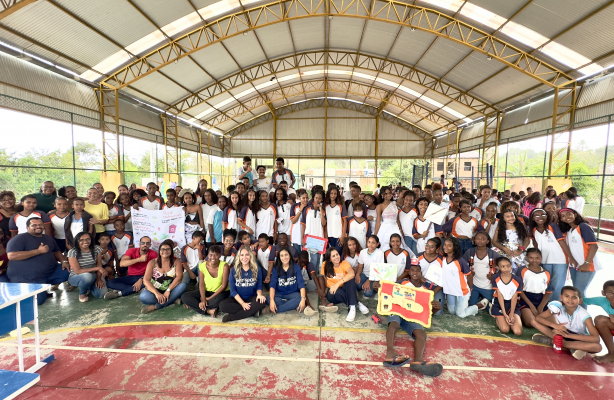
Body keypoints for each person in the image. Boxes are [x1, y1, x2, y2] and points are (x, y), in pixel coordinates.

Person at [383, 264, 444, 376]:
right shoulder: (402, 283)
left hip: (412, 316)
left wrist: (435, 309)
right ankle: (390, 353)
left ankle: (418, 361)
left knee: (421, 334)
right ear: (409, 273)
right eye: (412, 270)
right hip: (398, 310)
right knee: (394, 324)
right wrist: (379, 286)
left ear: (421, 273)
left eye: (417, 270)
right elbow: (388, 290)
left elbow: (427, 313)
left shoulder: (425, 291)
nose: (415, 272)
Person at [6, 218, 70, 305]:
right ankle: (36, 291)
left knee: (70, 271)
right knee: (38, 301)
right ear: (27, 227)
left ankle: (44, 287)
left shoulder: (48, 238)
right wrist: (38, 251)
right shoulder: (19, 239)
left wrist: (64, 261)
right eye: (34, 225)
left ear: (44, 226)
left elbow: (56, 251)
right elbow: (11, 256)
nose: (38, 227)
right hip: (27, 278)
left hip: (49, 273)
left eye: (40, 224)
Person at [532, 286, 602, 360]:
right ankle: (571, 347)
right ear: (561, 297)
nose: (570, 300)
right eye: (567, 296)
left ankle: (556, 342)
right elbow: (538, 318)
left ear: (580, 300)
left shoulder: (585, 315)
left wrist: (568, 336)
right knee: (533, 321)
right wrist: (555, 326)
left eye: (574, 297)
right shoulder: (557, 307)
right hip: (561, 331)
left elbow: (596, 339)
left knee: (598, 347)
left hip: (577, 337)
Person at [527, 208, 575, 302]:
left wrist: (571, 257)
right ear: (532, 218)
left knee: (557, 284)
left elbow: (561, 242)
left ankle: (555, 305)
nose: (540, 217)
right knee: (546, 283)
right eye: (537, 215)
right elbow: (536, 245)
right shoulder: (533, 230)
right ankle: (546, 305)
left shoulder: (552, 226)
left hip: (560, 259)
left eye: (543, 214)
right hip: (544, 260)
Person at [558, 208, 600, 301]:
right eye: (563, 216)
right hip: (575, 266)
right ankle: (576, 313)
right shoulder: (569, 230)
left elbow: (594, 246)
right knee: (576, 291)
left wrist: (586, 263)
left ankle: (583, 314)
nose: (566, 217)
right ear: (561, 219)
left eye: (569, 214)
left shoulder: (583, 226)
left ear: (575, 214)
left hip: (586, 266)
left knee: (579, 292)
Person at [319, 247, 369, 322]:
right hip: (333, 293)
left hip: (345, 288)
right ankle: (357, 303)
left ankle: (352, 308)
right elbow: (323, 279)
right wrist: (323, 297)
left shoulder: (344, 263)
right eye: (333, 256)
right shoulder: (325, 265)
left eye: (337, 254)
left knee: (351, 279)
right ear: (329, 259)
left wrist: (337, 284)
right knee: (336, 291)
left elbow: (352, 273)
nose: (336, 257)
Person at [220, 246, 268, 322]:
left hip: (251, 297)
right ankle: (252, 311)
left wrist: (259, 294)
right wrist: (242, 303)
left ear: (250, 256)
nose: (244, 257)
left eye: (247, 255)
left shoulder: (257, 269)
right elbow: (232, 290)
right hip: (237, 299)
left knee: (262, 302)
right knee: (222, 306)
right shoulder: (233, 269)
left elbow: (259, 285)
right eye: (242, 255)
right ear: (239, 257)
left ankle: (232, 317)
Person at [181, 244, 230, 317]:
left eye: (216, 255)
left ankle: (194, 305)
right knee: (185, 297)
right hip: (206, 291)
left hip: (220, 293)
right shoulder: (203, 265)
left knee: (215, 302)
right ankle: (208, 310)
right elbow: (201, 283)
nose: (213, 257)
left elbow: (223, 286)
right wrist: (203, 299)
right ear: (208, 255)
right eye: (211, 255)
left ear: (220, 255)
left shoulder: (225, 266)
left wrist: (209, 298)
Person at [441, 237, 485, 318]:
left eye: (449, 246)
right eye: (445, 245)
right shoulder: (443, 259)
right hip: (450, 291)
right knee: (452, 311)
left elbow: (469, 275)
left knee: (460, 314)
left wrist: (470, 288)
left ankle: (479, 305)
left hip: (462, 291)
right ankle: (463, 308)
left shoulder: (460, 261)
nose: (445, 247)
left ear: (455, 247)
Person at [140, 239, 186, 314]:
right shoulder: (152, 262)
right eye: (163, 249)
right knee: (143, 297)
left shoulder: (176, 261)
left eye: (168, 249)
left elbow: (179, 277)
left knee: (183, 286)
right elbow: (146, 280)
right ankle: (172, 300)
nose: (165, 251)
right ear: (159, 251)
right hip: (155, 291)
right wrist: (157, 293)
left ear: (171, 251)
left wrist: (168, 290)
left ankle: (156, 306)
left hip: (171, 290)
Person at [67, 232, 109, 302]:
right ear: (77, 241)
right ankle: (82, 293)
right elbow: (78, 271)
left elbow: (99, 265)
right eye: (81, 240)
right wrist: (97, 268)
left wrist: (98, 278)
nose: (85, 242)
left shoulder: (97, 248)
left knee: (101, 294)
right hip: (77, 277)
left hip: (94, 275)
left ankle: (88, 286)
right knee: (88, 276)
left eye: (87, 239)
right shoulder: (72, 252)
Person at [267, 246, 308, 314]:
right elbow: (272, 286)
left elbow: (301, 284)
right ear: (279, 258)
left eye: (286, 255)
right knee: (268, 298)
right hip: (279, 293)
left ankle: (278, 309)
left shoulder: (296, 267)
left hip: (292, 293)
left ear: (289, 255)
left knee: (300, 298)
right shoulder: (276, 269)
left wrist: (303, 299)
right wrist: (271, 301)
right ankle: (291, 305)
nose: (284, 257)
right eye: (282, 256)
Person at [464, 231, 499, 309]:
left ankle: (484, 302)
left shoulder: (494, 254)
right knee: (471, 305)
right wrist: (468, 273)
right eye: (477, 239)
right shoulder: (470, 252)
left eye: (483, 239)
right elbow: (462, 265)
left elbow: (503, 267)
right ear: (474, 240)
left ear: (487, 241)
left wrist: (495, 276)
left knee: (489, 309)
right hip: (474, 284)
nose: (480, 241)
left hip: (488, 285)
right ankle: (481, 303)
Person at [518, 248, 552, 328]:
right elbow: (519, 290)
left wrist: (541, 306)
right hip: (526, 299)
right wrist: (531, 306)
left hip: (541, 300)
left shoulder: (546, 272)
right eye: (531, 258)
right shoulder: (522, 270)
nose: (534, 260)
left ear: (541, 258)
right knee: (530, 323)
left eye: (537, 258)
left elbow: (548, 291)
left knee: (553, 321)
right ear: (527, 257)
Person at [490, 257, 523, 335]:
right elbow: (500, 296)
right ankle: (498, 318)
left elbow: (515, 297)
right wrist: (505, 314)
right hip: (499, 304)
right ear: (498, 267)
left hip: (512, 305)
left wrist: (511, 314)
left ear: (511, 265)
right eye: (503, 266)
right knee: (505, 329)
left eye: (508, 266)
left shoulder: (518, 280)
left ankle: (509, 317)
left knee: (518, 332)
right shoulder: (495, 278)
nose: (506, 268)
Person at [584, 280, 614, 363]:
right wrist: (559, 304)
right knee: (600, 320)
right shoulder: (602, 300)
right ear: (603, 293)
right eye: (610, 293)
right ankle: (612, 354)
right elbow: (582, 300)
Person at [374, 186, 406, 252]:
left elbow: (397, 220)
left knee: (397, 246)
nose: (388, 195)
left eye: (390, 193)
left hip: (395, 227)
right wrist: (375, 236)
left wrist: (401, 231)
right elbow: (378, 222)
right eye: (386, 194)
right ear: (382, 195)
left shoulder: (395, 203)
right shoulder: (380, 206)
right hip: (384, 228)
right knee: (384, 247)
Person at [301, 190, 326, 268]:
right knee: (314, 259)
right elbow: (303, 225)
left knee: (318, 259)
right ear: (313, 198)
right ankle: (312, 277)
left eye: (319, 198)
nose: (317, 200)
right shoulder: (307, 209)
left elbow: (323, 223)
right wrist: (302, 237)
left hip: (320, 238)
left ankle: (316, 276)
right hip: (310, 238)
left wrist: (321, 210)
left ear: (322, 200)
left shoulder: (323, 211)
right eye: (316, 198)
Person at [323, 186, 347, 253]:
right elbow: (325, 223)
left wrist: (343, 236)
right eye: (331, 193)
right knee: (331, 255)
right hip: (330, 235)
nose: (333, 195)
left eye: (335, 194)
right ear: (329, 194)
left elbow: (345, 221)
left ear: (337, 195)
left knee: (338, 254)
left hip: (339, 236)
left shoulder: (341, 205)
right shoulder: (326, 206)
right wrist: (326, 236)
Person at [290, 191, 308, 255]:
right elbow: (293, 221)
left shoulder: (309, 207)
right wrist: (300, 210)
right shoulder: (294, 206)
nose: (305, 200)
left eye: (306, 198)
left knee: (305, 255)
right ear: (299, 198)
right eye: (303, 198)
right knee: (297, 254)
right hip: (296, 234)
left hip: (306, 234)